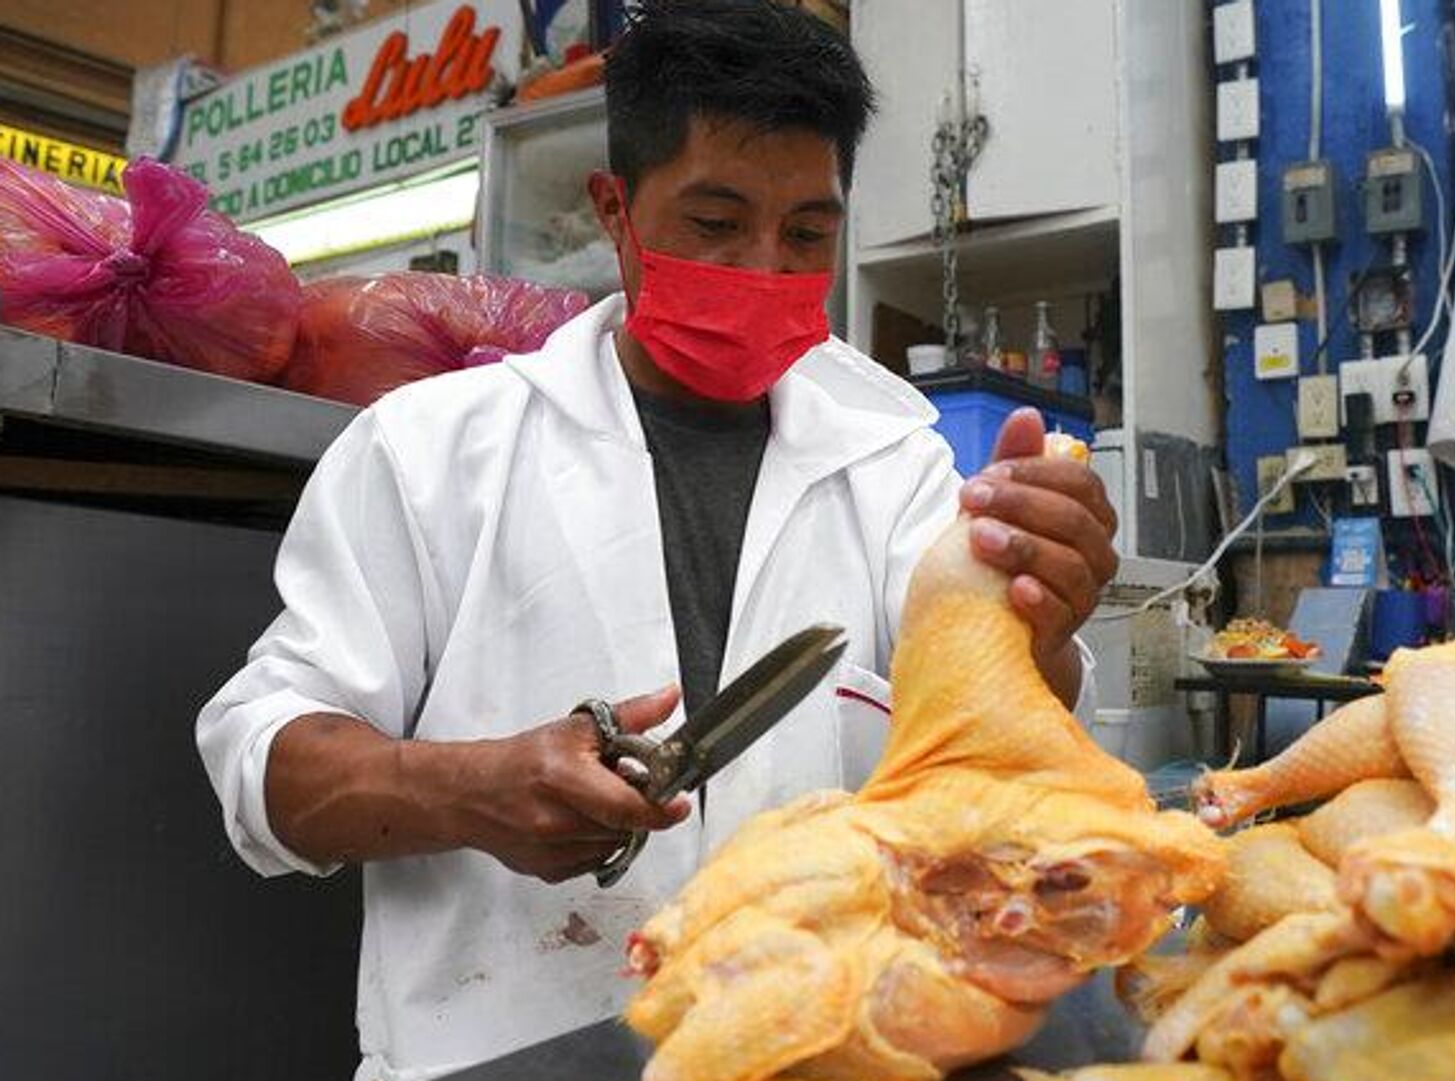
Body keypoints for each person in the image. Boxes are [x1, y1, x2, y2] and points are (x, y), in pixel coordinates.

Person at [195, 3, 1119, 1077]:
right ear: (616, 212)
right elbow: (263, 765)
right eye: (716, 222)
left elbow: (995, 738)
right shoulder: (432, 449)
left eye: (806, 235)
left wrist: (1043, 621)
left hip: (820, 1048)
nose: (763, 267)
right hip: (503, 1055)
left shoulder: (893, 464)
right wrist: (468, 788)